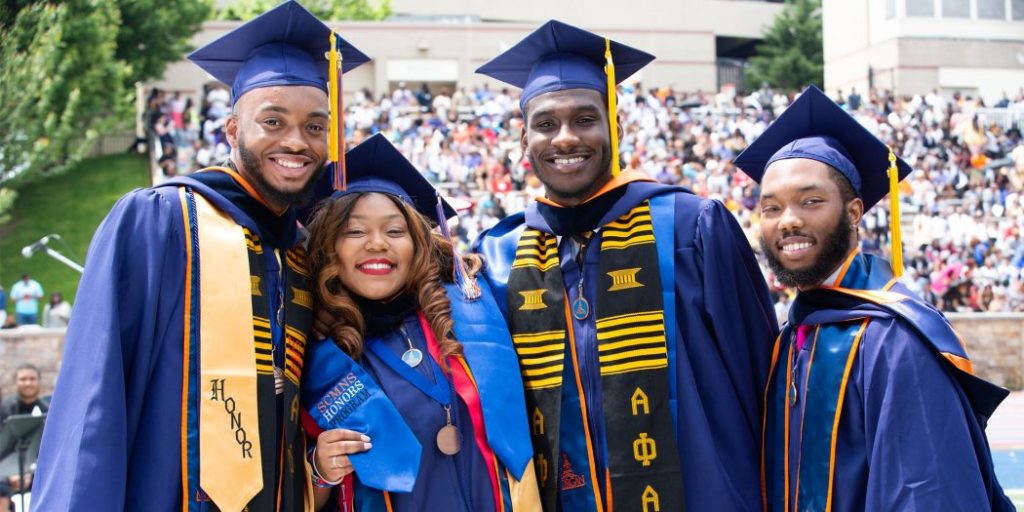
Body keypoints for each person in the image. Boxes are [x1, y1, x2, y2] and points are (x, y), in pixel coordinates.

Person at [33, 2, 370, 510]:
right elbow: (93, 396)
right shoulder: (160, 220)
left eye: (315, 127)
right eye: (273, 121)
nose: (296, 142)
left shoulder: (300, 255)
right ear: (232, 130)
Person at [474, 21, 776, 511]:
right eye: (546, 124)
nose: (566, 138)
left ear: (615, 126)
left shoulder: (690, 228)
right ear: (523, 137)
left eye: (585, 120)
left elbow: (760, 375)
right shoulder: (499, 255)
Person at [734, 85, 1013, 511]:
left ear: (853, 212)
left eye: (811, 201)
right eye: (771, 208)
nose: (788, 220)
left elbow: (929, 496)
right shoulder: (795, 336)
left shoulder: (894, 340)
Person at [302, 134, 540, 511]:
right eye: (355, 231)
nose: (378, 243)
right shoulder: (316, 355)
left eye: (395, 231)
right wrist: (319, 469)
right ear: (329, 247)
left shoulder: (471, 307)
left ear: (417, 243)